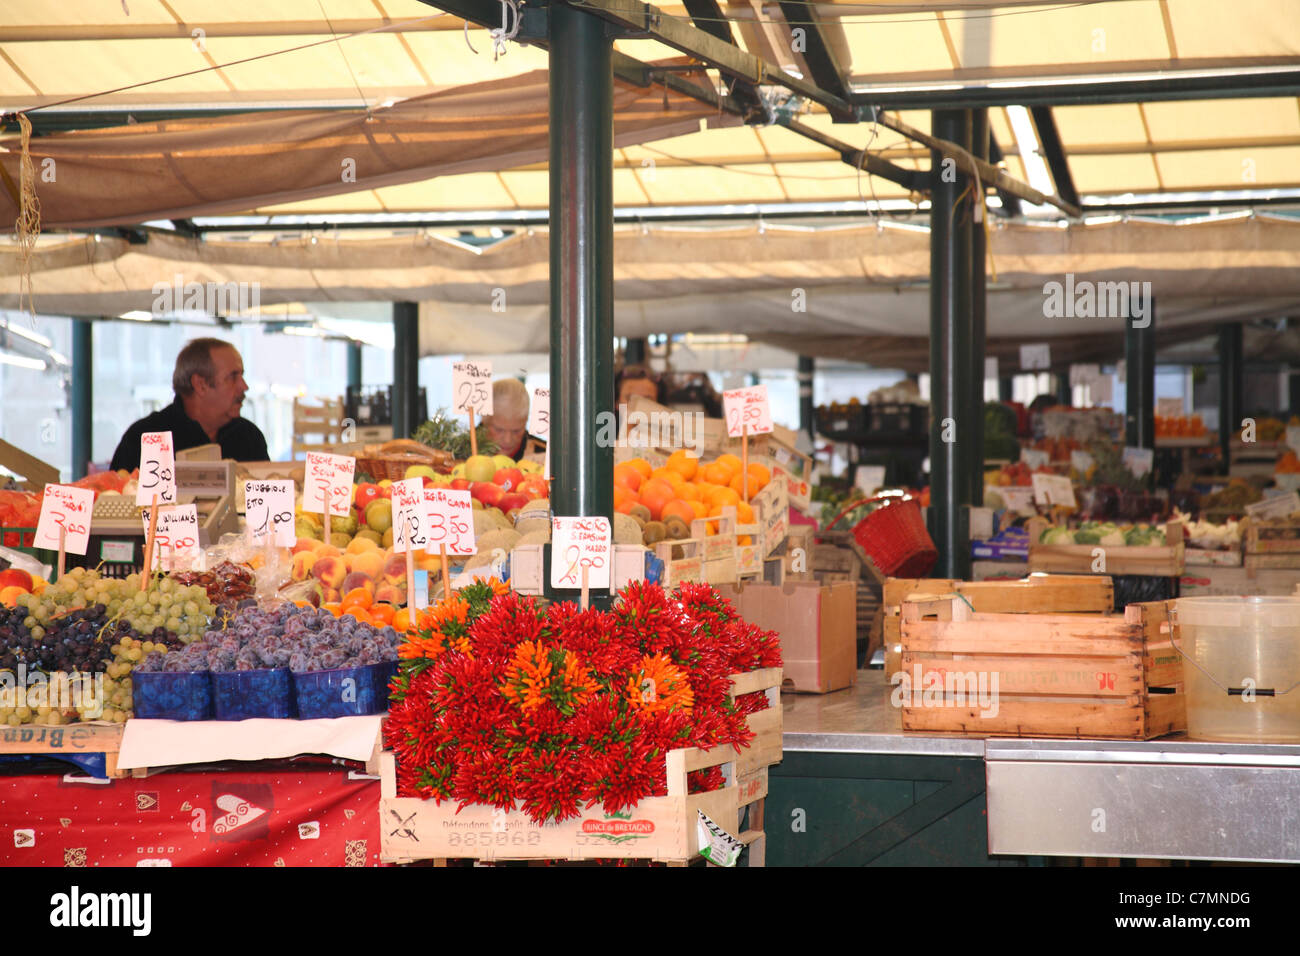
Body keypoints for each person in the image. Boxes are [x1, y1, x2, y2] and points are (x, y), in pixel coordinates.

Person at [110, 337, 269, 471]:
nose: (244, 386)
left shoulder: (249, 437)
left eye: (242, 376)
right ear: (200, 384)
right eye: (233, 377)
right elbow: (115, 498)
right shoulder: (144, 438)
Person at [482, 377, 542, 460]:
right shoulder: (461, 452)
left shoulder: (544, 455)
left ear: (526, 421)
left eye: (517, 431)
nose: (508, 440)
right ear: (484, 421)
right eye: (498, 430)